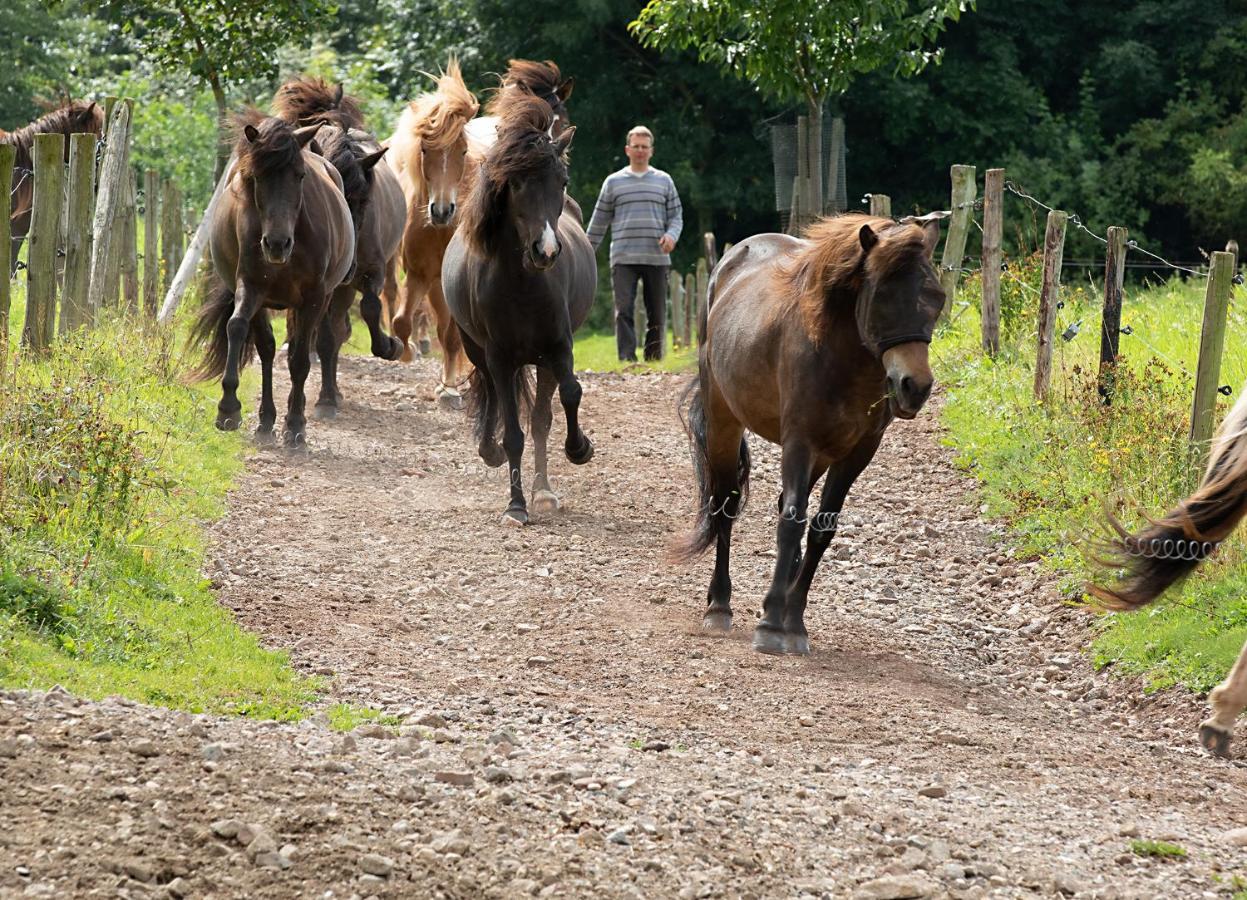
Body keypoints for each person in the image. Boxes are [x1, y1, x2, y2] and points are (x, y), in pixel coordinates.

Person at [586, 126, 684, 362]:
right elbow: (599, 221)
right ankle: (627, 359)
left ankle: (653, 359)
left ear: (651, 151)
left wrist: (671, 236)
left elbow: (676, 216)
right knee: (624, 311)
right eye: (636, 146)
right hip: (623, 257)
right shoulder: (613, 182)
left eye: (644, 147)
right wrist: (586, 251)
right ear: (627, 150)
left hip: (657, 257)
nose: (640, 151)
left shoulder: (664, 181)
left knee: (657, 313)